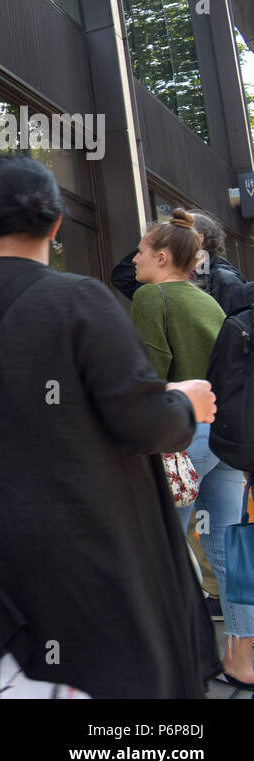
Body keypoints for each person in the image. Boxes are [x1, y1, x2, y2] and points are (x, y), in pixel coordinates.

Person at [0, 157, 218, 698]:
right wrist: (186, 404)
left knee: (29, 662)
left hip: (1, 525)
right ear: (57, 225)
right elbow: (144, 421)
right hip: (89, 523)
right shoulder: (80, 299)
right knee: (106, 667)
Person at [129, 209, 254, 686]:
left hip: (183, 436)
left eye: (141, 251)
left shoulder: (151, 295)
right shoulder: (208, 302)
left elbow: (148, 379)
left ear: (162, 258)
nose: (135, 258)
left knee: (158, 541)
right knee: (231, 549)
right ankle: (241, 661)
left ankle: (174, 655)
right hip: (225, 436)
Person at [111, 209, 247, 312]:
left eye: (180, 231)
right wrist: (152, 242)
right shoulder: (172, 272)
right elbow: (122, 277)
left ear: (199, 239)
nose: (173, 234)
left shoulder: (225, 278)